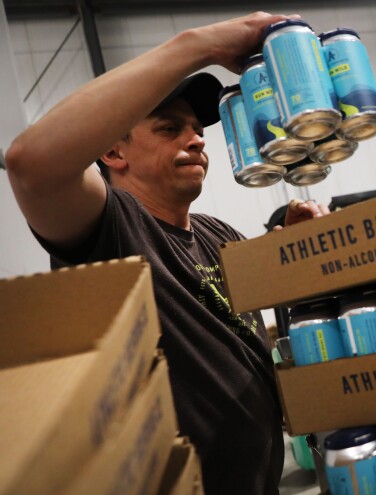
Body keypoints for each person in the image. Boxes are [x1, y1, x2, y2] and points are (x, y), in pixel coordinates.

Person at [5, 12, 330, 494]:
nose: (197, 138)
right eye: (169, 128)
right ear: (114, 153)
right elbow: (29, 164)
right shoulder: (112, 230)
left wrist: (294, 250)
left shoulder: (219, 234)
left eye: (197, 129)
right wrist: (200, 45)